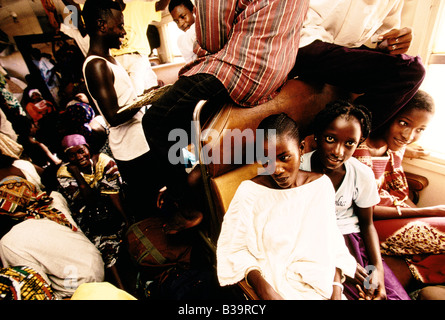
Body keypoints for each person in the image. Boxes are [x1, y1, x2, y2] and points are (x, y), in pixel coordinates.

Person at [142, 0, 310, 233]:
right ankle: (187, 180)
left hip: (242, 68)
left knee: (154, 121)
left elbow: (212, 39)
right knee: (186, 123)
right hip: (280, 66)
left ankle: (186, 207)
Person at [217, 113, 356, 300]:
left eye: (284, 157)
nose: (276, 169)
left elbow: (331, 242)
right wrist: (264, 290)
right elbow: (235, 249)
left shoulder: (321, 186)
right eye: (266, 160)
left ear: (300, 149)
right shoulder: (250, 193)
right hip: (276, 287)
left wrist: (336, 291)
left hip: (321, 286)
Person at [301, 100, 410, 300]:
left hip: (353, 241)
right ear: (317, 135)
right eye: (330, 138)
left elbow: (367, 224)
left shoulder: (361, 174)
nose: (338, 151)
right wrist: (340, 263)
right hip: (313, 243)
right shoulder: (298, 169)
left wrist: (378, 269)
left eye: (349, 143)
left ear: (358, 143)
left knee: (384, 294)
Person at [353, 90, 445, 288]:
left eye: (420, 129)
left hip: (395, 216)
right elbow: (366, 210)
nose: (409, 135)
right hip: (368, 224)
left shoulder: (396, 148)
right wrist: (429, 212)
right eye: (404, 123)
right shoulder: (360, 147)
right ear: (389, 115)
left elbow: (400, 196)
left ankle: (414, 273)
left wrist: (424, 216)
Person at [81, 0, 163, 219]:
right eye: (119, 25)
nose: (123, 32)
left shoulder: (109, 60)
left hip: (138, 140)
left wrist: (147, 94)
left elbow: (126, 100)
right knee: (151, 204)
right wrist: (147, 98)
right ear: (101, 25)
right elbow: (113, 116)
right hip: (131, 148)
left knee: (160, 194)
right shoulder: (96, 65)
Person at [289, 0, 426, 130]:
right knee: (410, 71)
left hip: (338, 50)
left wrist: (393, 43)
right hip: (302, 43)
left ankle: (347, 134)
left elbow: (381, 37)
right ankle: (340, 134)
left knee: (411, 72)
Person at [0, 151, 104, 299]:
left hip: (78, 285)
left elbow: (37, 286)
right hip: (95, 263)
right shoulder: (54, 202)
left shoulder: (9, 243)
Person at [57, 134, 128, 289]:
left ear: (87, 148)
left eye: (81, 151)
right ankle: (122, 289)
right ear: (67, 157)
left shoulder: (104, 161)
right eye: (72, 155)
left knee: (129, 234)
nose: (79, 157)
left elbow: (113, 194)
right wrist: (76, 173)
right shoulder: (64, 173)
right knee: (104, 248)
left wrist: (126, 220)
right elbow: (88, 201)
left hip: (113, 209)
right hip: (88, 216)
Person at [111, 0, 168, 96]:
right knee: (124, 97)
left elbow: (160, 6)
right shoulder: (107, 11)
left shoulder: (137, 5)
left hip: (137, 57)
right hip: (115, 60)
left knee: (139, 94)